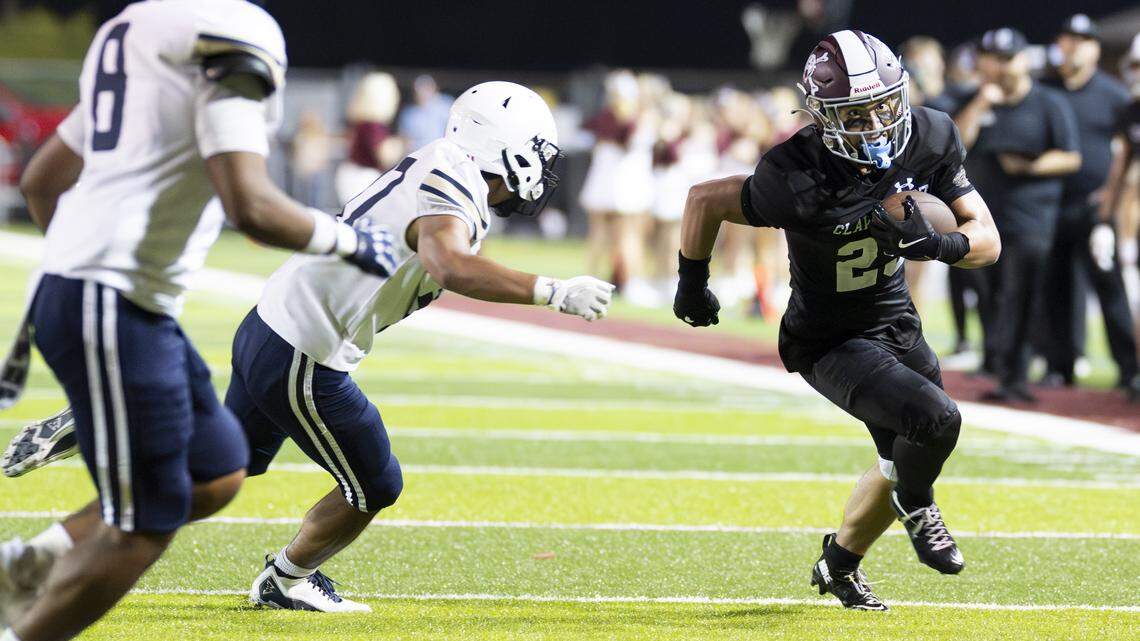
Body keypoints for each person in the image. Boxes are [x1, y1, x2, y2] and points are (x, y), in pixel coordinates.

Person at [2, 82, 615, 614]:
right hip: (304, 354)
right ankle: (286, 580)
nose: (541, 166)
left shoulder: (444, 165)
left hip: (275, 327)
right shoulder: (452, 178)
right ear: (503, 143)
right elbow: (447, 262)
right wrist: (552, 291)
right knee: (376, 484)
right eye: (537, 150)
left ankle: (54, 536)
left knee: (210, 474)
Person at [0, 1, 402, 639]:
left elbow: (43, 180)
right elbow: (250, 204)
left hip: (111, 298)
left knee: (215, 468)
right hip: (113, 300)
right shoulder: (233, 30)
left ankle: (21, 570)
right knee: (148, 520)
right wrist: (350, 241)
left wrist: (72, 271)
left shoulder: (130, 29)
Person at [673, 30, 1000, 610]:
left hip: (896, 320)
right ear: (822, 112)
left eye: (883, 104)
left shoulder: (930, 134)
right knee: (935, 422)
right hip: (829, 338)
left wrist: (938, 244)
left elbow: (988, 240)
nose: (875, 122)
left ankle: (839, 563)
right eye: (855, 113)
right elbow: (704, 198)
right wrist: (692, 281)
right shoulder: (794, 173)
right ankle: (918, 505)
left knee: (898, 456)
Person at [954, 27, 1080, 401]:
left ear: (1024, 60)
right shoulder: (974, 99)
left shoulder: (1048, 103)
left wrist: (1030, 167)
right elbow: (956, 144)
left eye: (1008, 58)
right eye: (993, 58)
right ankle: (1000, 367)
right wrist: (980, 103)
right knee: (991, 295)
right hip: (983, 219)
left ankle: (1017, 377)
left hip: (1031, 218)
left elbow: (1071, 156)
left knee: (1022, 294)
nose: (1000, 67)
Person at [1041, 15, 1139, 398]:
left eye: (1083, 39)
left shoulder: (1115, 96)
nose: (1075, 46)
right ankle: (1058, 366)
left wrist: (1111, 203)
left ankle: (1129, 369)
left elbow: (1124, 153)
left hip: (1097, 211)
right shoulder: (1045, 90)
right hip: (1053, 204)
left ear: (1096, 48)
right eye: (1069, 38)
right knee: (1056, 289)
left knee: (1110, 289)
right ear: (1059, 43)